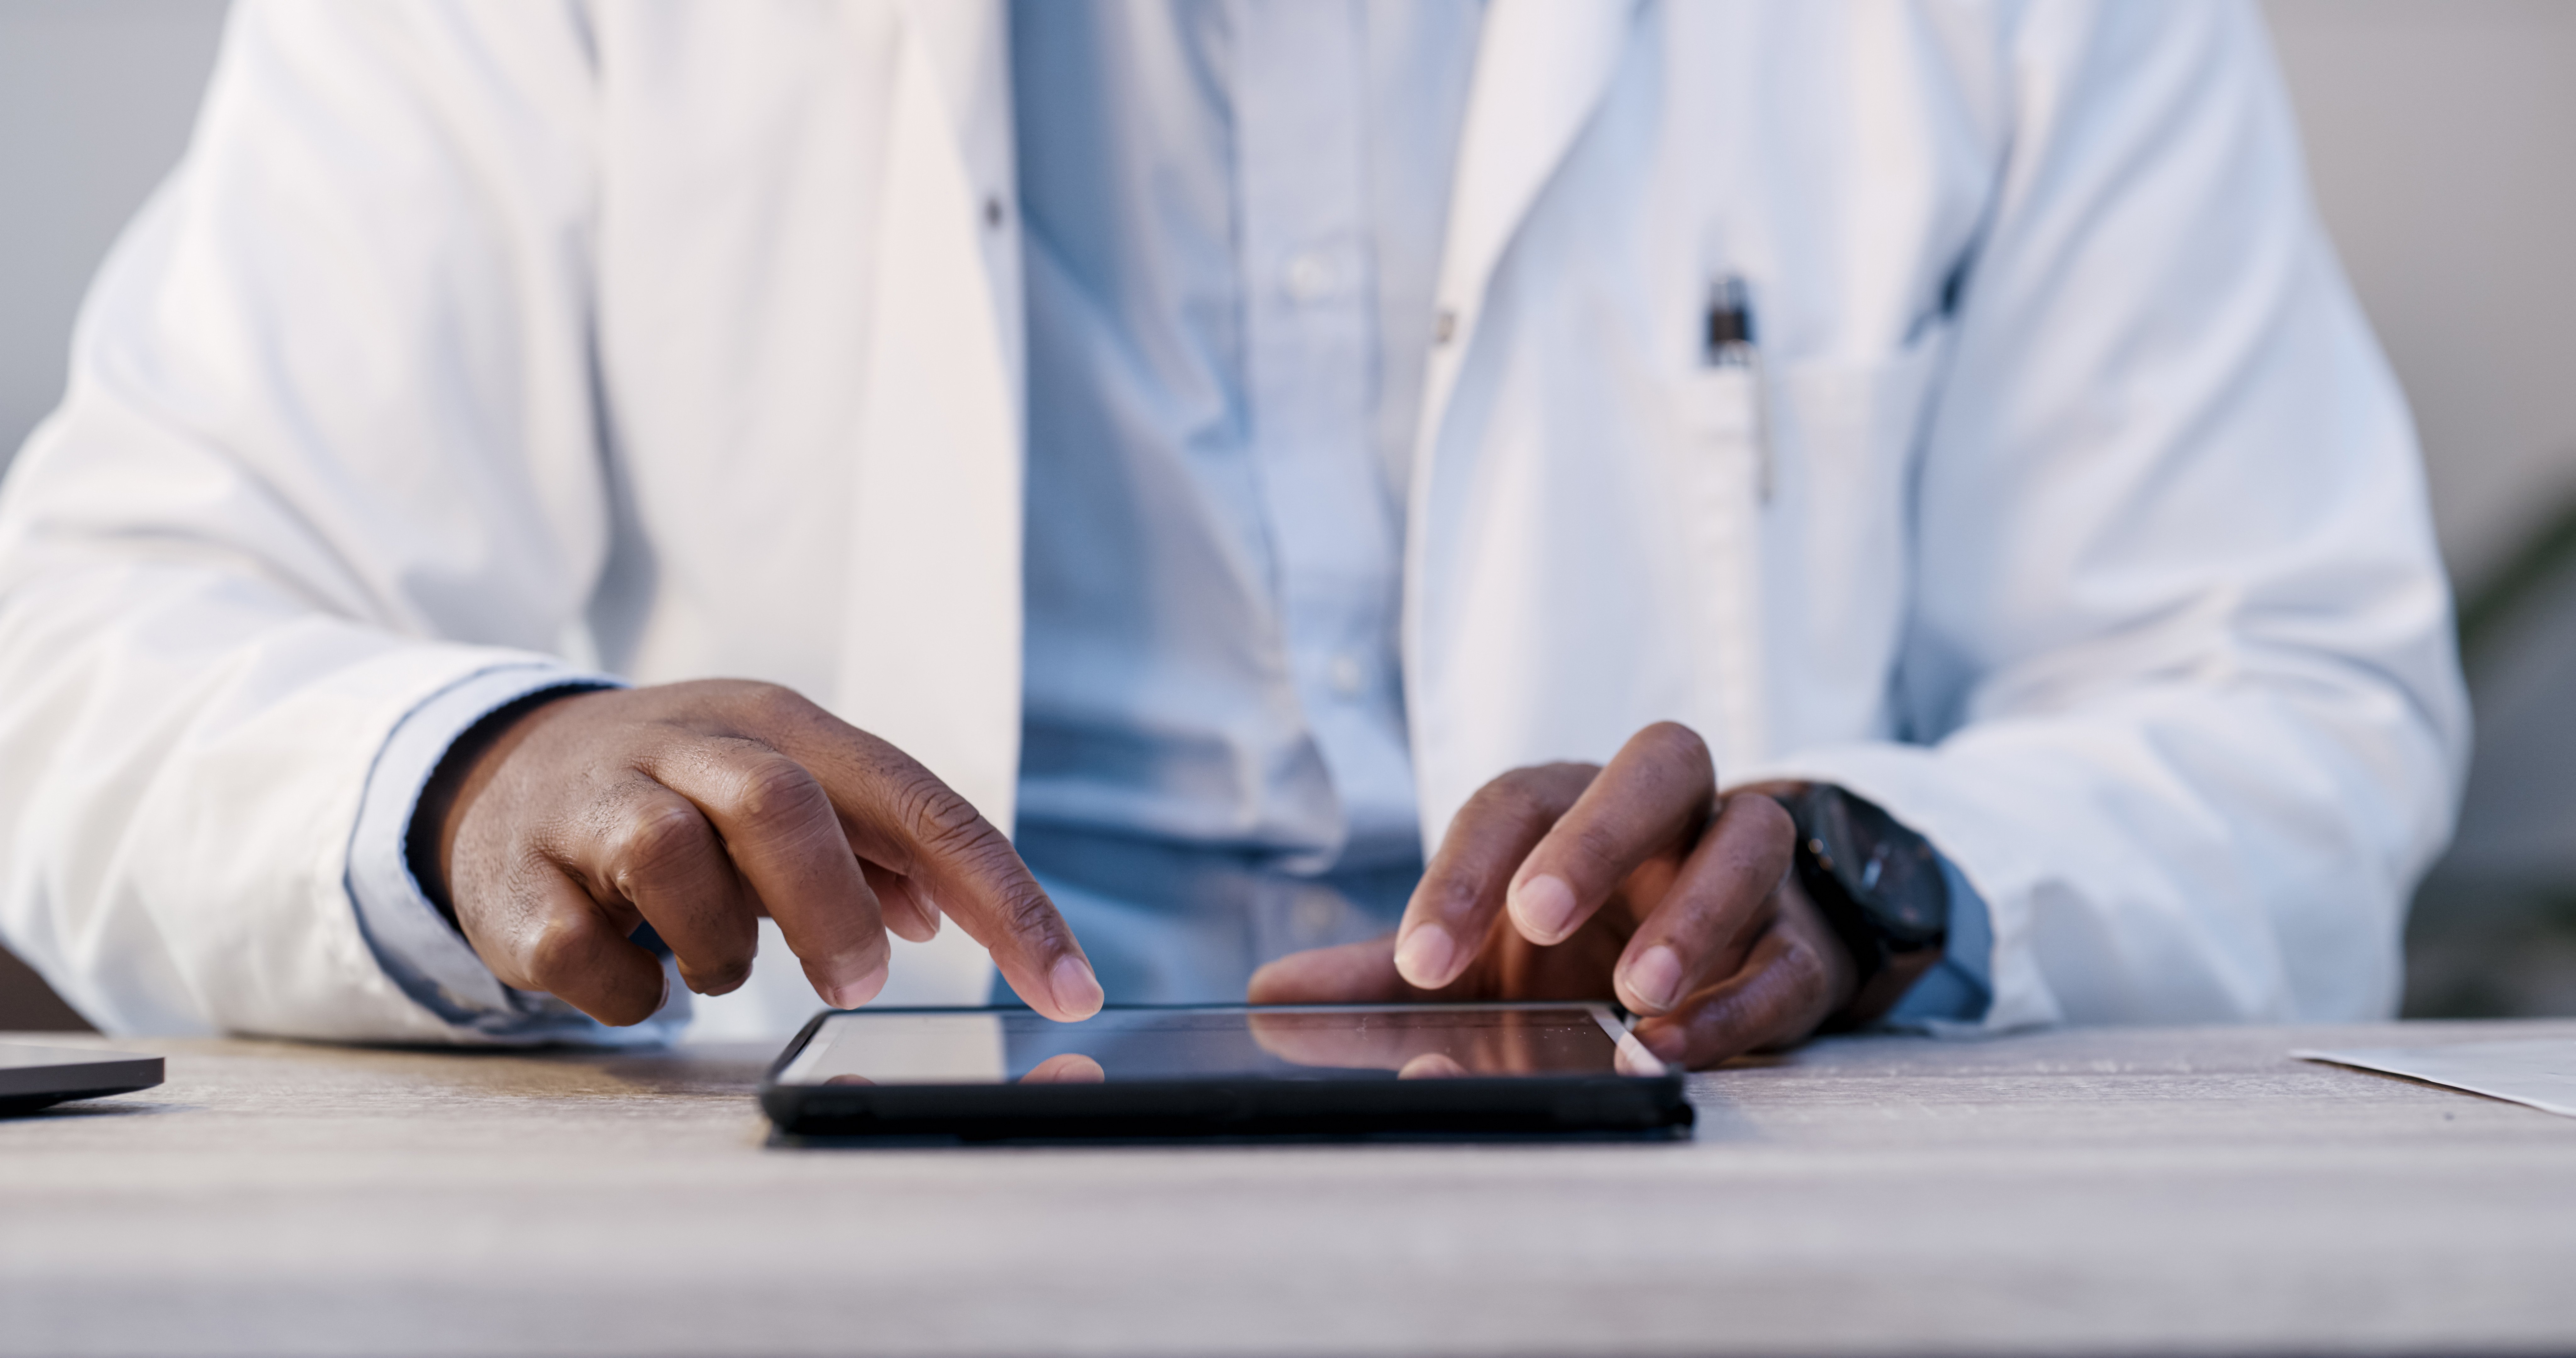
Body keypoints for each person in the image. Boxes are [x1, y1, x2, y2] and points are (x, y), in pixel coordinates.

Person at [0, 0, 2465, 1066]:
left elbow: (2292, 700)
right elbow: (84, 646)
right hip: (799, 1257)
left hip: (1736, 1250)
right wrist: (476, 767)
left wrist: (1860, 871)